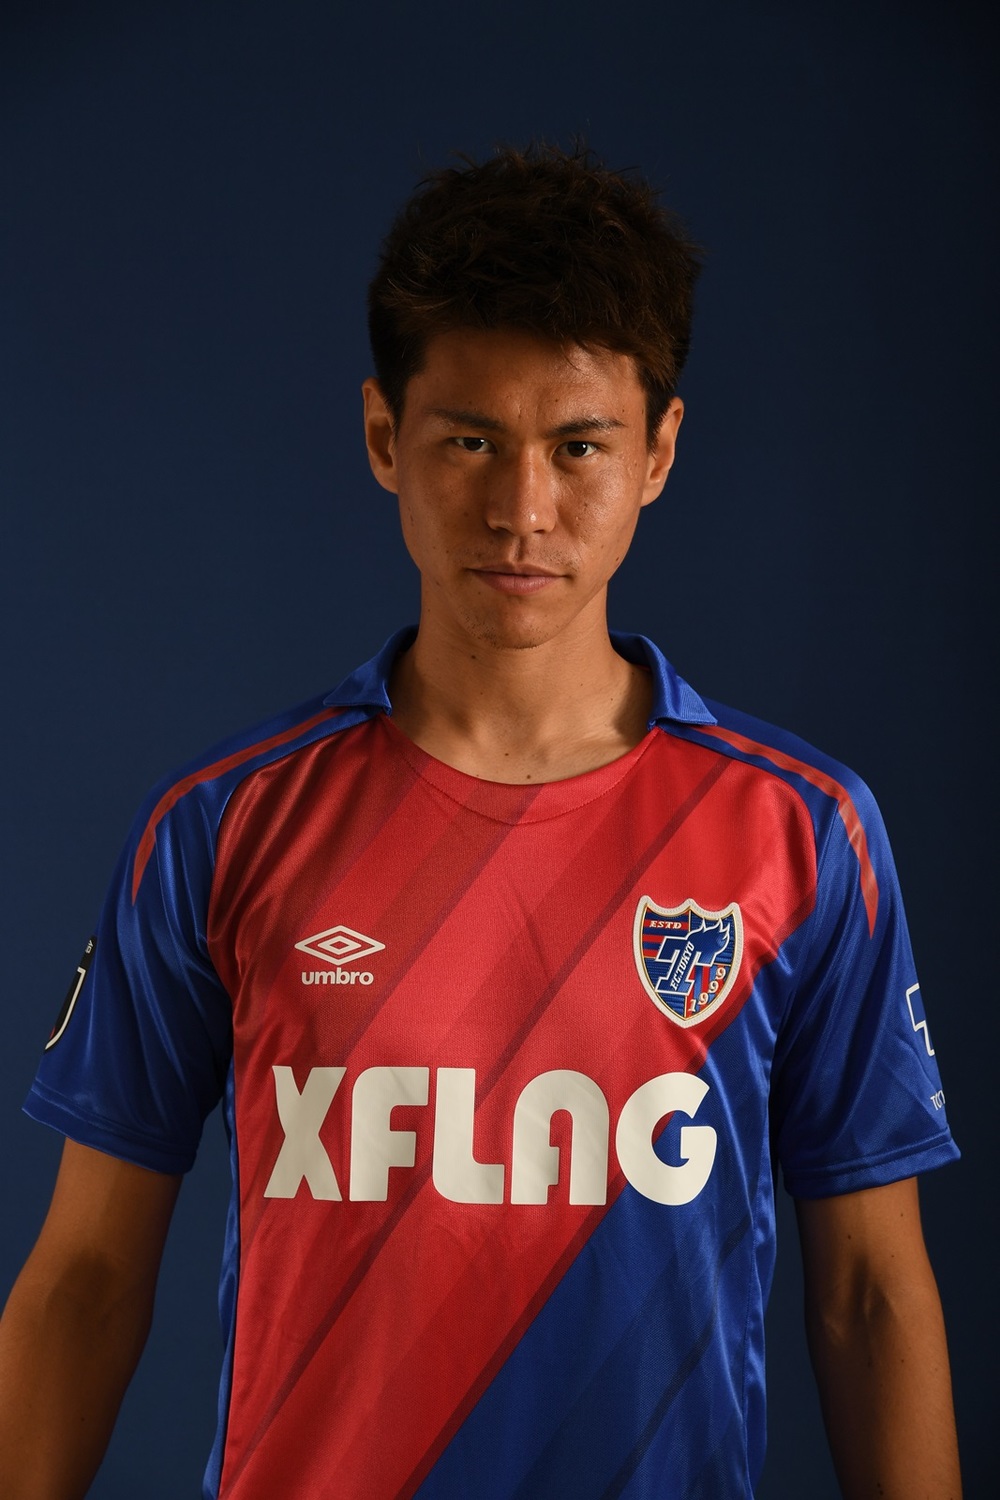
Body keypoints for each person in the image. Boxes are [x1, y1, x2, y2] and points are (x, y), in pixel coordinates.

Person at [0, 145, 961, 1499]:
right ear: (384, 437)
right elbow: (87, 1279)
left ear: (658, 453)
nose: (522, 511)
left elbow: (869, 1296)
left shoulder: (800, 833)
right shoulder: (225, 826)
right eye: (470, 442)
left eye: (579, 448)